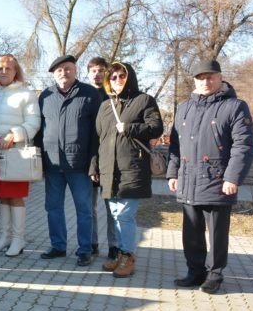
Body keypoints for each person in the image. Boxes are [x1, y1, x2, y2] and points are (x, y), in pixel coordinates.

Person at [167, 60, 253, 293]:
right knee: (191, 230)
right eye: (201, 77)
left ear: (220, 77)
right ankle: (195, 272)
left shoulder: (235, 106)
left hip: (217, 179)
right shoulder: (184, 107)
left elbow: (243, 146)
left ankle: (215, 275)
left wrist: (232, 177)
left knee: (217, 231)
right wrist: (172, 172)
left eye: (211, 77)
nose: (206, 82)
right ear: (194, 80)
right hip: (188, 178)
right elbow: (176, 145)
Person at [90, 62, 163, 277]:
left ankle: (128, 256)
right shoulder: (105, 106)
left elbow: (157, 127)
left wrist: (130, 128)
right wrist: (93, 166)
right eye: (113, 77)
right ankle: (121, 255)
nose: (117, 80)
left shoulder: (144, 100)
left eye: (122, 76)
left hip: (133, 168)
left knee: (124, 215)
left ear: (129, 77)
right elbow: (97, 139)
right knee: (114, 213)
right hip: (108, 169)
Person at [36, 55, 101, 266]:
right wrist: (40, 161)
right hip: (52, 163)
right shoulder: (45, 96)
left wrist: (94, 163)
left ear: (75, 70)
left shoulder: (89, 94)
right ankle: (58, 246)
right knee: (52, 207)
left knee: (84, 209)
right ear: (54, 74)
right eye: (59, 70)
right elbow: (39, 130)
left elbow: (97, 134)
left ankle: (85, 249)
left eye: (68, 68)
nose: (64, 73)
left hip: (79, 164)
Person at [0, 55, 41, 256]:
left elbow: (34, 123)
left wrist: (13, 134)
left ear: (15, 71)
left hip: (16, 154)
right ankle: (5, 237)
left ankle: (19, 239)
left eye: (8, 68)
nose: (3, 72)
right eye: (0, 68)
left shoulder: (27, 94)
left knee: (16, 197)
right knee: (2, 197)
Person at [86, 57, 120, 260]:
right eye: (94, 71)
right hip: (89, 159)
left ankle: (114, 245)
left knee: (111, 206)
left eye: (101, 70)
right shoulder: (84, 94)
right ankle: (92, 243)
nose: (97, 74)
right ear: (88, 73)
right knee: (88, 207)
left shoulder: (114, 96)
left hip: (111, 159)